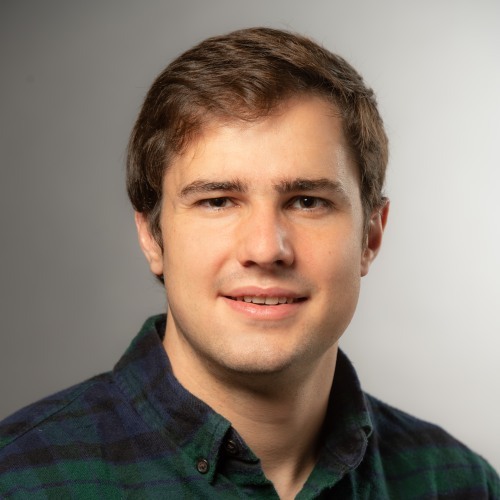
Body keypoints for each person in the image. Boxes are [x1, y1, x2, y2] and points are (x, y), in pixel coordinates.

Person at [0, 27, 498, 499]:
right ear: (153, 237)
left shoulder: (459, 483)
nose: (265, 249)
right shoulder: (20, 478)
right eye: (218, 200)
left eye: (307, 201)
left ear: (370, 235)